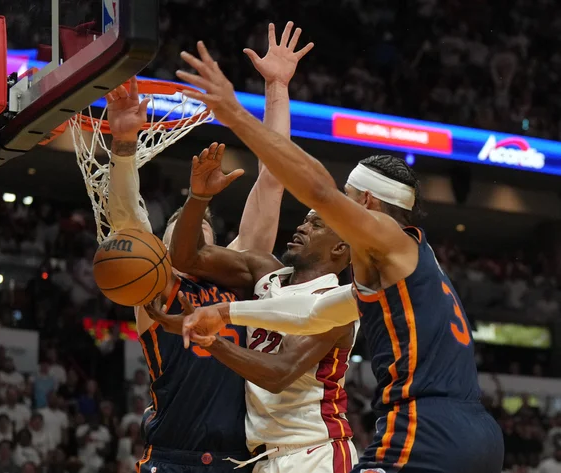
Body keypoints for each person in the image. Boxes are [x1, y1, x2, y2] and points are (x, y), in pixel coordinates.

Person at [170, 34, 505, 473]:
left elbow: (316, 188)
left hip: (426, 428)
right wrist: (227, 317)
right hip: (478, 434)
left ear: (365, 202)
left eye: (347, 199)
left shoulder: (386, 234)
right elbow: (314, 315)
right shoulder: (404, 269)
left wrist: (234, 114)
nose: (335, 207)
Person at [105, 22, 311, 472]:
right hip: (172, 459)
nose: (189, 228)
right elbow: (126, 221)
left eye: (200, 229)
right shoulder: (156, 286)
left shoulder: (239, 274)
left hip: (237, 461)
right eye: (175, 228)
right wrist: (123, 145)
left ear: (219, 244)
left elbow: (273, 179)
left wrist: (277, 87)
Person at [146, 139, 359, 472]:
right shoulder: (264, 271)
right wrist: (198, 197)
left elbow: (279, 374)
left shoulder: (336, 304)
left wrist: (211, 340)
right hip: (261, 458)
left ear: (340, 248)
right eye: (305, 220)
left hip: (316, 453)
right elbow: (186, 256)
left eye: (316, 225)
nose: (302, 226)